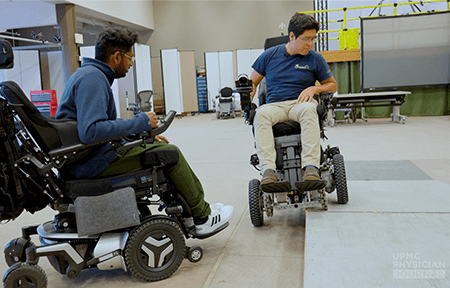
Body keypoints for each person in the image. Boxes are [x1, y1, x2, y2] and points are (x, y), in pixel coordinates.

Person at [55, 27, 233, 237]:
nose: (131, 64)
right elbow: (91, 131)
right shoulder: (93, 79)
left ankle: (196, 210)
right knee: (170, 154)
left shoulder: (88, 74)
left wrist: (138, 136)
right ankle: (202, 217)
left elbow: (101, 126)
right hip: (91, 165)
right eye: (130, 58)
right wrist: (140, 123)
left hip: (90, 157)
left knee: (158, 146)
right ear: (116, 57)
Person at [249, 13, 338, 186]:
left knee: (309, 110)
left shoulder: (315, 59)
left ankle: (311, 168)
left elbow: (332, 85)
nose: (310, 43)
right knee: (261, 115)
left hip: (301, 104)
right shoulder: (269, 55)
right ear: (292, 36)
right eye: (306, 39)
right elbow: (252, 82)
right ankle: (268, 170)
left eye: (313, 39)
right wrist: (247, 98)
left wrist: (315, 88)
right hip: (275, 105)